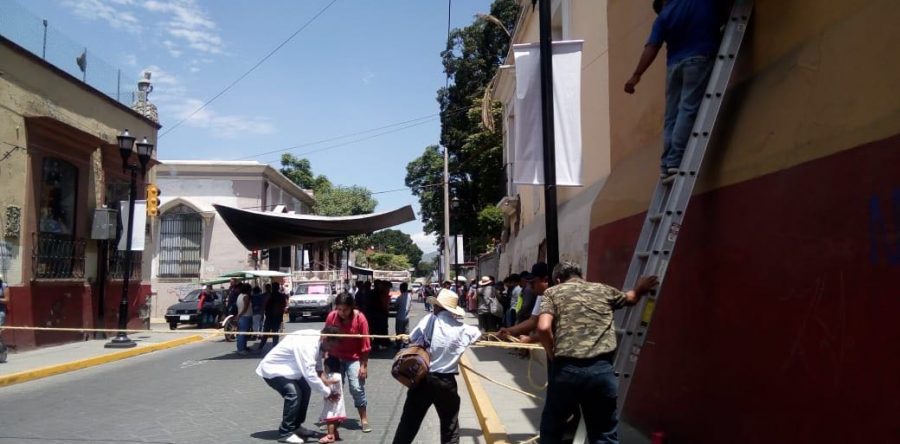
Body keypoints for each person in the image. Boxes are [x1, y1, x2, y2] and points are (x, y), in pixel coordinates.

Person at [536, 262, 658, 443]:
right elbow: (631, 299)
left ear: (558, 280)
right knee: (603, 432)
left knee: (552, 430)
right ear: (581, 276)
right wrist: (640, 288)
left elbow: (544, 327)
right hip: (601, 370)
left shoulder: (553, 292)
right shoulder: (603, 289)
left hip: (566, 370)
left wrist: (552, 354)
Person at [624, 0, 728, 178]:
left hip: (674, 67)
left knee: (672, 116)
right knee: (687, 110)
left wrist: (636, 75)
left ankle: (667, 163)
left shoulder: (664, 16)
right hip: (699, 58)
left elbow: (652, 47)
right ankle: (674, 160)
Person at [392, 289, 482, 444]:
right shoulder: (464, 329)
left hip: (422, 377)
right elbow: (477, 334)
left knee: (409, 423)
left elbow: (413, 339)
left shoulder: (428, 320)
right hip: (446, 382)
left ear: (438, 307)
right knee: (449, 426)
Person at [256, 325, 343, 444]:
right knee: (294, 394)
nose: (330, 350)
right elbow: (309, 374)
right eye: (331, 346)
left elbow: (317, 365)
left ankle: (296, 426)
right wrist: (327, 392)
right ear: (326, 338)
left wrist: (325, 381)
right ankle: (285, 432)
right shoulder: (309, 343)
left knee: (306, 389)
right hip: (273, 370)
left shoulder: (319, 341)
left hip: (291, 371)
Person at [324, 293, 373, 433]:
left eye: (344, 309)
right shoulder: (331, 317)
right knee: (334, 389)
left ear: (351, 307)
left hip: (353, 358)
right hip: (335, 357)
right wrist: (325, 356)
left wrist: (364, 366)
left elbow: (366, 345)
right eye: (338, 309)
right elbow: (326, 337)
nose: (341, 313)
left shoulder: (360, 319)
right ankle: (334, 419)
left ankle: (363, 419)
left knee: (357, 388)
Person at [499, 263, 551, 344]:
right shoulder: (541, 295)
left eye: (533, 282)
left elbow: (545, 329)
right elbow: (533, 321)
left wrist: (531, 339)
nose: (531, 286)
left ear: (545, 280)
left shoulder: (556, 295)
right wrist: (509, 331)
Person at [317, 356, 347, 443]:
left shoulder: (332, 376)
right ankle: (335, 433)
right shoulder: (338, 375)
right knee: (333, 419)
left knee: (330, 419)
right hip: (335, 402)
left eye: (325, 367)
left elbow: (330, 385)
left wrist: (326, 382)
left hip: (333, 403)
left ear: (328, 367)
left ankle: (330, 436)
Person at [259, 284, 289, 351]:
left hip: (270, 316)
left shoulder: (269, 295)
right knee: (275, 333)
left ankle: (261, 347)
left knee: (266, 332)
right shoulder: (281, 296)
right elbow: (284, 306)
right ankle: (274, 347)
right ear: (278, 288)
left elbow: (264, 305)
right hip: (276, 316)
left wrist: (262, 314)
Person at [235, 283, 253, 354]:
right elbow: (245, 307)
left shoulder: (239, 296)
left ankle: (242, 347)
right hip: (245, 316)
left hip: (242, 316)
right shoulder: (246, 296)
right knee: (243, 333)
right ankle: (241, 349)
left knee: (242, 333)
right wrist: (240, 314)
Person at [394, 282, 412, 349]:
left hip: (399, 317)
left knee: (399, 331)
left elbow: (396, 306)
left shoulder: (399, 297)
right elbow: (410, 305)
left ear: (401, 289)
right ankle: (406, 343)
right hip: (406, 316)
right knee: (406, 330)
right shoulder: (409, 296)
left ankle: (398, 344)